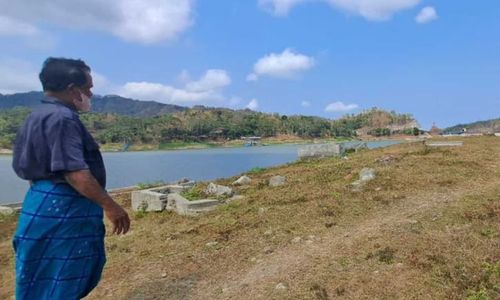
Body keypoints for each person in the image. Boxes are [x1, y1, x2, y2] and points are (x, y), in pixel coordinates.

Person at [11, 57, 130, 299]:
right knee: (63, 272)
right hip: (64, 208)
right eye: (88, 88)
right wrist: (111, 206)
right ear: (73, 89)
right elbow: (75, 173)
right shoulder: (62, 119)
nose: (91, 94)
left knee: (43, 271)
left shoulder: (38, 115)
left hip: (42, 201)